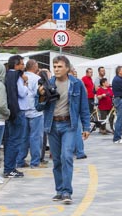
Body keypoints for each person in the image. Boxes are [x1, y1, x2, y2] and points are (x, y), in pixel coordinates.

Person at [36, 55, 90, 204]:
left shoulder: (77, 84)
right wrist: (41, 95)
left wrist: (86, 127)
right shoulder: (47, 84)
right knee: (57, 160)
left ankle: (67, 191)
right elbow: (38, 107)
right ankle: (59, 191)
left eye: (60, 66)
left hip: (69, 125)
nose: (57, 69)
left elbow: (84, 107)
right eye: (55, 66)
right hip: (52, 125)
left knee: (66, 156)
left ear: (67, 68)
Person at [3, 55, 26, 177]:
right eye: (22, 64)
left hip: (9, 111)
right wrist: (26, 84)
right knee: (15, 140)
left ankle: (8, 167)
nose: (23, 66)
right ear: (16, 65)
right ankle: (10, 168)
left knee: (9, 140)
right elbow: (22, 93)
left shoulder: (7, 75)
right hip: (18, 110)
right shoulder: (18, 76)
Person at [19, 59, 44, 168]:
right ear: (34, 67)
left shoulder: (21, 77)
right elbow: (39, 94)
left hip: (23, 110)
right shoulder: (37, 79)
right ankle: (35, 162)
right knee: (35, 137)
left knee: (23, 137)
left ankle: (20, 160)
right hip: (35, 111)